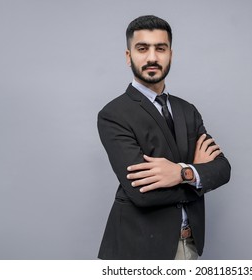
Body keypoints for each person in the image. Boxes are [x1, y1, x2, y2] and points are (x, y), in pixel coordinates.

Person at [97, 15, 231, 260]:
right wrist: (197, 175)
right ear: (129, 57)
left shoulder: (187, 110)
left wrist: (181, 173)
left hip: (189, 246)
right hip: (136, 250)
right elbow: (142, 194)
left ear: (171, 54)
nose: (152, 57)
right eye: (142, 48)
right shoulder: (113, 114)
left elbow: (223, 169)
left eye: (160, 48)